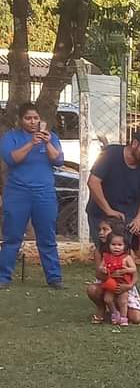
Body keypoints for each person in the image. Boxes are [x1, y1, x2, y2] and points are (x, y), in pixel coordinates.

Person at [87, 129, 140, 277]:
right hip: (102, 214)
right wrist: (108, 211)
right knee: (105, 247)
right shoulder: (111, 154)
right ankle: (102, 281)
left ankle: (126, 284)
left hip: (127, 217)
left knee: (125, 255)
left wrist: (139, 218)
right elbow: (93, 182)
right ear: (134, 143)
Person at [0, 102, 64, 289]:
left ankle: (54, 278)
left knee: (47, 237)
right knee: (12, 236)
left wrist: (46, 141)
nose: (33, 121)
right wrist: (31, 143)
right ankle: (3, 277)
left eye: (36, 118)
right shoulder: (11, 137)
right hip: (17, 193)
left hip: (44, 194)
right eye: (28, 118)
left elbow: (58, 160)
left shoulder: (51, 137)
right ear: (20, 120)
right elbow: (11, 159)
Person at [86, 218, 140, 325]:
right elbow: (98, 274)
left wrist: (129, 286)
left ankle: (119, 312)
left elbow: (134, 274)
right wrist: (109, 274)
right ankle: (102, 309)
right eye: (100, 229)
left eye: (105, 229)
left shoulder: (127, 253)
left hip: (125, 285)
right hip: (108, 284)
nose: (101, 233)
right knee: (92, 289)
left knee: (137, 319)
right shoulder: (100, 251)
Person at [100, 227, 137, 326]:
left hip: (123, 283)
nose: (116, 247)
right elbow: (100, 267)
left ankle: (123, 318)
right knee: (107, 299)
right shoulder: (106, 257)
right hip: (111, 282)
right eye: (113, 245)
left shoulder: (127, 258)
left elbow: (134, 269)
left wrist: (126, 270)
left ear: (125, 246)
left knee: (123, 301)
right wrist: (103, 269)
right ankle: (114, 312)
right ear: (108, 245)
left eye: (120, 245)